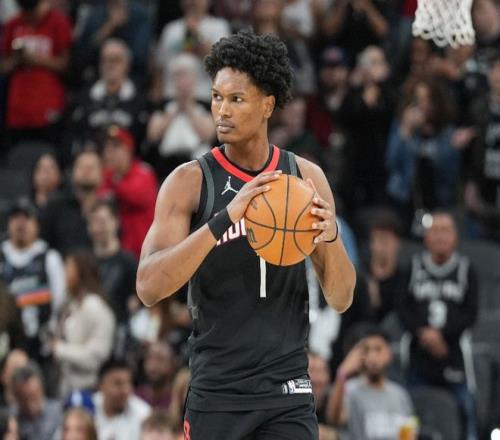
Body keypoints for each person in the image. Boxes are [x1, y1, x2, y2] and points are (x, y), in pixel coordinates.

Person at [136, 30, 356, 439]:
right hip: (217, 390)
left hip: (287, 390)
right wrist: (223, 219)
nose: (222, 110)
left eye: (236, 99)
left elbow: (342, 298)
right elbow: (149, 287)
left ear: (268, 105)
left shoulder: (305, 178)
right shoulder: (189, 182)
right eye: (216, 97)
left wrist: (330, 239)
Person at [398, 211, 479, 440]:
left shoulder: (465, 269)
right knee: (410, 412)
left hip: (453, 353)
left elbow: (470, 312)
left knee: (465, 408)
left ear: (456, 237)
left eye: (446, 230)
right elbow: (402, 308)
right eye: (435, 230)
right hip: (417, 354)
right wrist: (424, 334)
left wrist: (442, 335)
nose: (441, 236)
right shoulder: (413, 267)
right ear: (426, 237)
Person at [0, 198, 66, 366]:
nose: (21, 223)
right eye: (16, 218)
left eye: (27, 218)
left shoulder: (49, 258)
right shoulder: (2, 256)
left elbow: (59, 301)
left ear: (37, 224)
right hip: (5, 343)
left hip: (41, 344)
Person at [0, 0, 72, 147]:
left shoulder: (58, 21)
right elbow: (3, 66)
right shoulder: (14, 24)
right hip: (18, 106)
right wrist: (17, 59)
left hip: (48, 104)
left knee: (48, 151)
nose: (29, 16)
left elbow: (65, 65)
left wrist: (34, 59)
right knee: (18, 154)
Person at [326, 327, 415, 440]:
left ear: (389, 354)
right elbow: (333, 419)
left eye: (378, 349)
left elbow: (409, 435)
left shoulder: (400, 395)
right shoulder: (349, 390)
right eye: (366, 350)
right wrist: (342, 373)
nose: (373, 356)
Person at [51, 251, 116, 397]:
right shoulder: (70, 304)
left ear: (81, 272)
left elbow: (95, 358)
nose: (65, 274)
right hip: (66, 387)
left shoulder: (95, 307)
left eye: (69, 268)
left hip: (90, 388)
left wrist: (59, 349)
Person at [69, 38, 149, 152]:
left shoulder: (141, 100)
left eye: (115, 60)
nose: (110, 65)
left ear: (127, 64)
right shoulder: (84, 98)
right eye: (105, 60)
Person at [147, 53, 215, 181]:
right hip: (167, 165)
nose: (182, 82)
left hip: (196, 164)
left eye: (185, 76)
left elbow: (208, 135)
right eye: (177, 77)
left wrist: (188, 107)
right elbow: (153, 135)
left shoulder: (204, 106)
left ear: (194, 80)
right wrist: (176, 108)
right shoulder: (163, 107)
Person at [152, 0, 230, 103]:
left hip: (204, 97)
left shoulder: (219, 26)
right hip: (171, 96)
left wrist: (197, 35)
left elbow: (222, 63)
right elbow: (159, 66)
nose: (193, 2)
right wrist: (157, 91)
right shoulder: (170, 29)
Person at [101, 125, 158, 259]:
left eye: (116, 147)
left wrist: (114, 183)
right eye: (107, 148)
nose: (110, 153)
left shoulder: (143, 172)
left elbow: (137, 196)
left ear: (128, 150)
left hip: (145, 252)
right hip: (117, 253)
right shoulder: (106, 176)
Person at [464, 52, 500, 241]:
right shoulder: (477, 108)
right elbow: (470, 152)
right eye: (495, 69)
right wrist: (470, 182)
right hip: (483, 189)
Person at [74, 0, 152, 87]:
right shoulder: (94, 14)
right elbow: (81, 57)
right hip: (98, 78)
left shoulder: (140, 14)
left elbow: (141, 56)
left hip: (133, 78)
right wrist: (109, 27)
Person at [40, 149, 104, 254]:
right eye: (82, 167)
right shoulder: (55, 206)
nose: (86, 172)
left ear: (101, 174)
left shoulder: (108, 209)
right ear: (72, 172)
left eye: (91, 167)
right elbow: (42, 244)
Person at [87, 199, 137, 325]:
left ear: (115, 222)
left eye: (102, 222)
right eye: (94, 222)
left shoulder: (128, 262)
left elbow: (136, 302)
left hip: (120, 326)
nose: (98, 228)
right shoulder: (85, 263)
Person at [93, 358, 151, 440]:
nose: (126, 390)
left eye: (128, 383)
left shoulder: (144, 414)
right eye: (118, 383)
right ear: (100, 385)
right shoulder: (88, 406)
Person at [365, 208, 406, 322]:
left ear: (398, 243)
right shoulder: (361, 277)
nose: (380, 248)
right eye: (376, 240)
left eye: (385, 241)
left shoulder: (406, 278)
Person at [10, 361, 63, 440]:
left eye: (34, 397)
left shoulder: (59, 412)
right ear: (16, 398)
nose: (30, 406)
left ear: (41, 389)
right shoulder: (11, 419)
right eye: (24, 399)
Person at [135, 342, 177, 410]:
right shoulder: (135, 396)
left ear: (172, 365)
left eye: (160, 359)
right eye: (150, 358)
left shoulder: (177, 400)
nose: (154, 365)